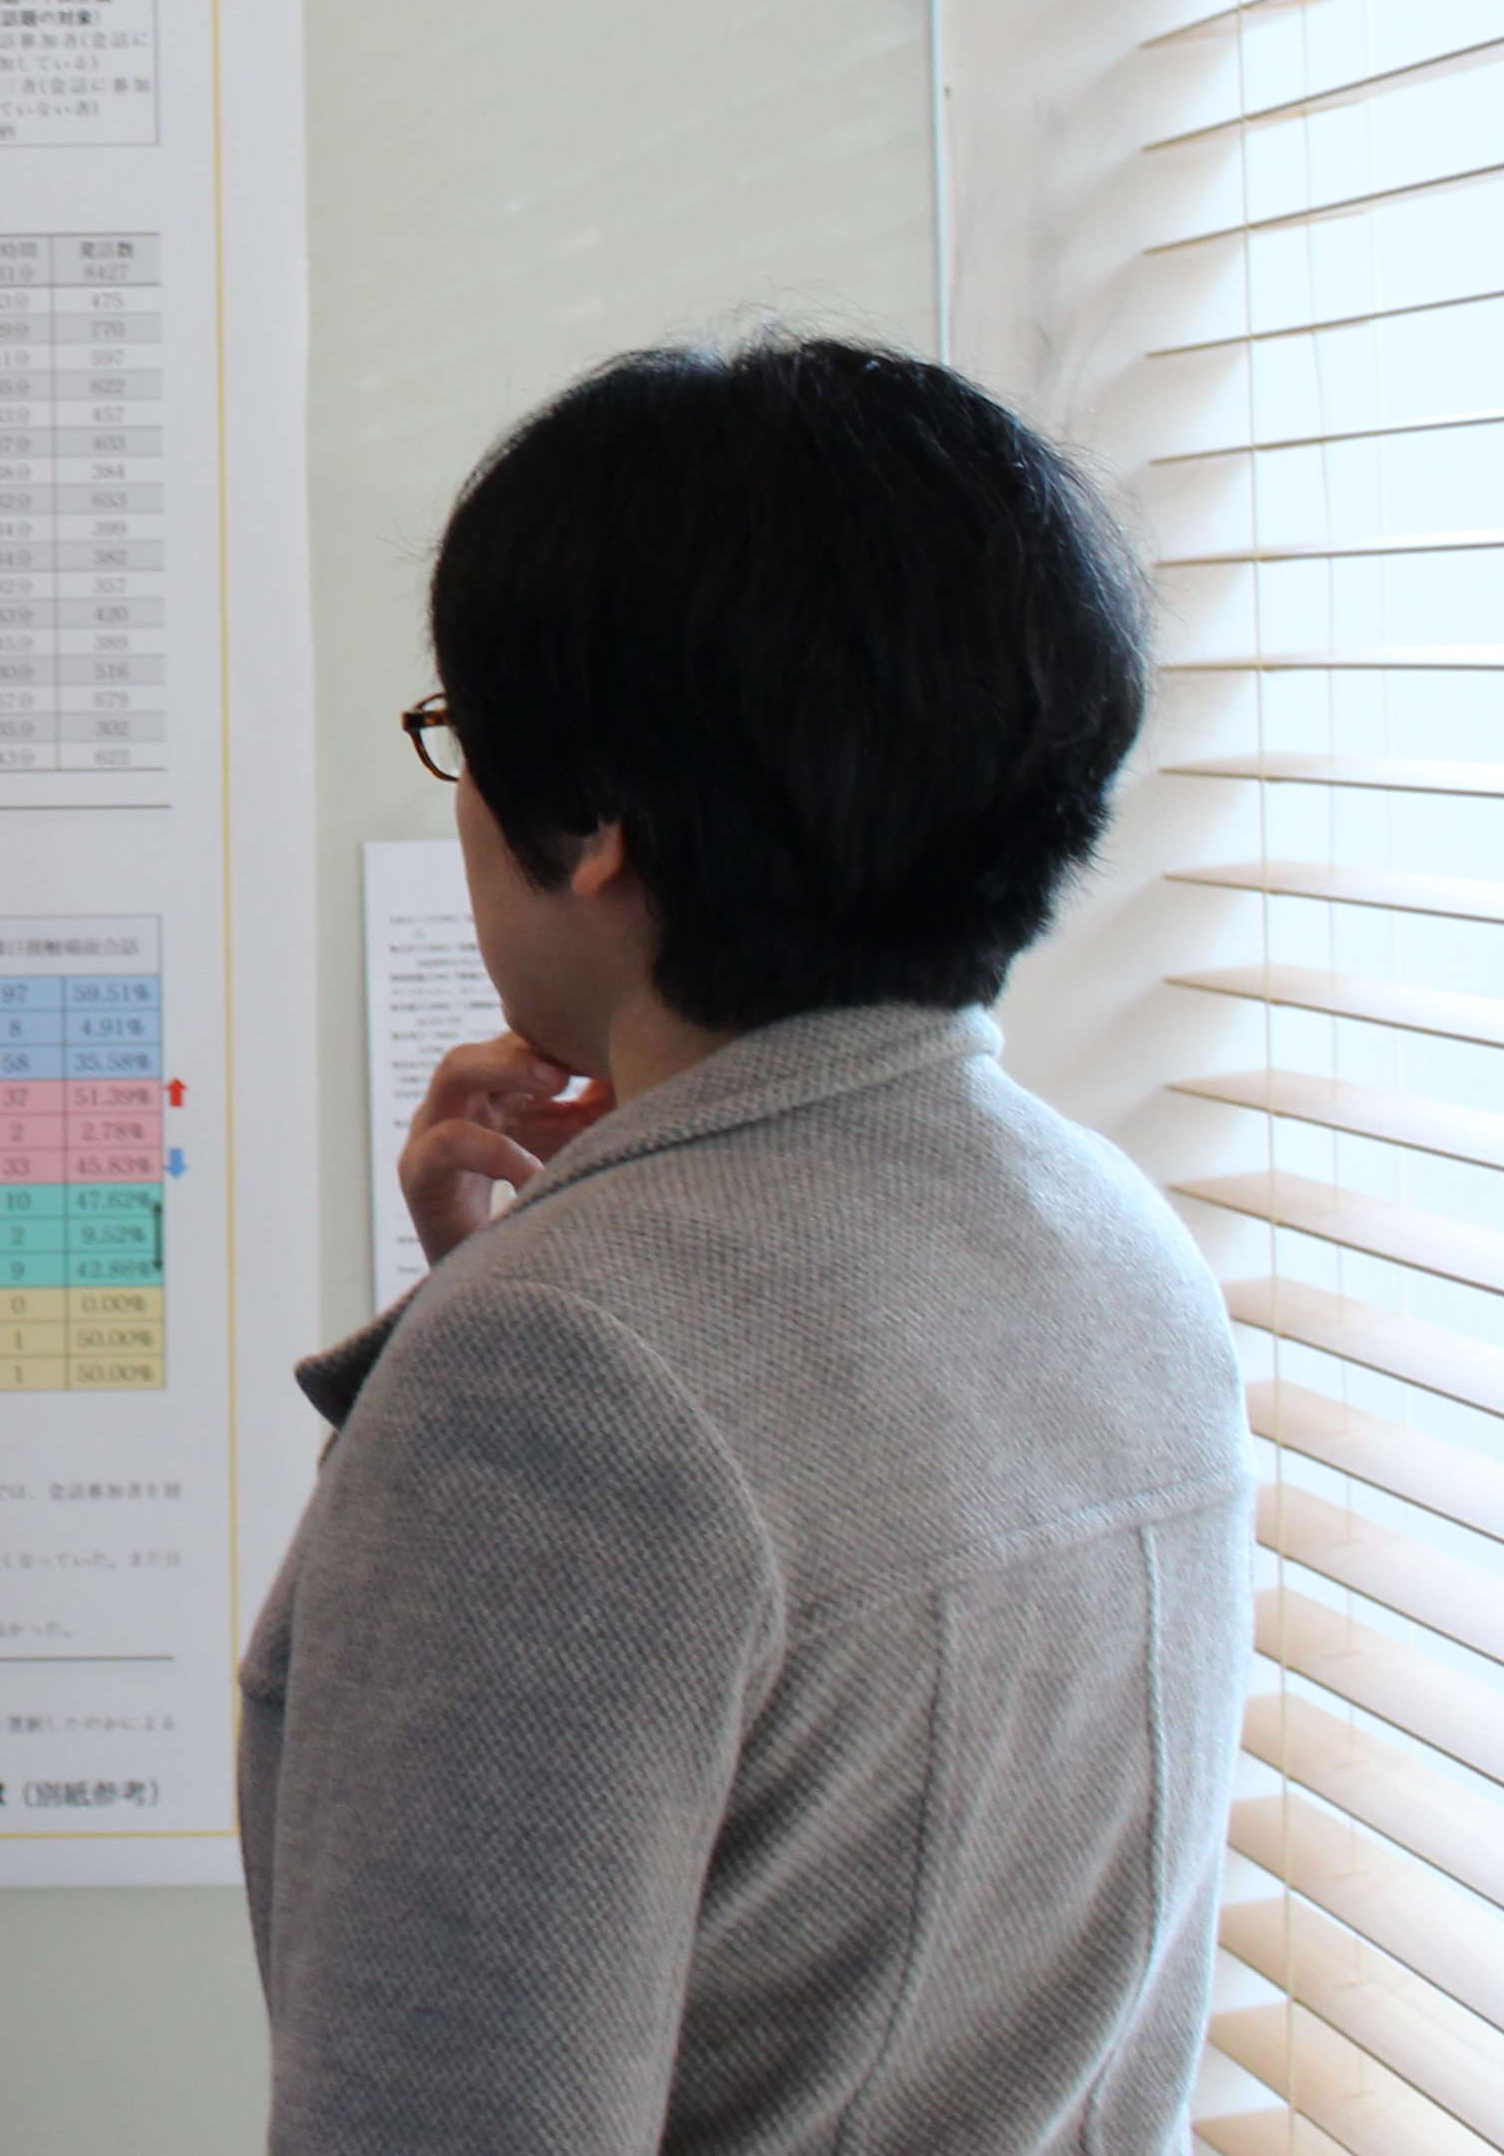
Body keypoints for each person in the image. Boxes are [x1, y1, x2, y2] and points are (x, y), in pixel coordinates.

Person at [239, 333, 1243, 2154]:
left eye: (464, 740)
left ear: (594, 827)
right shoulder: (1122, 1242)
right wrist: (516, 1283)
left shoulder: (552, 1382)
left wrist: (517, 1326)